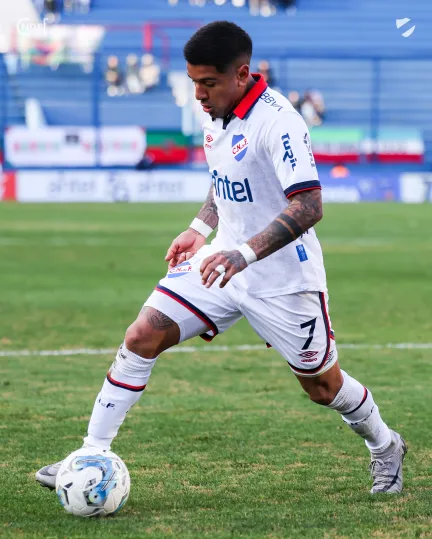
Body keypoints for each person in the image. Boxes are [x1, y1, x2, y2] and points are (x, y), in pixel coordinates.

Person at [36, 21, 406, 495]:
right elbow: (225, 177)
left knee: (323, 386)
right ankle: (91, 453)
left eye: (208, 83)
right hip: (220, 263)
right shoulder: (216, 112)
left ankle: (385, 445)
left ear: (242, 74)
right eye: (194, 82)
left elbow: (310, 205)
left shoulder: (279, 122)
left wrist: (244, 253)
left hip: (283, 279)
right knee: (142, 335)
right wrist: (199, 228)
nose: (198, 94)